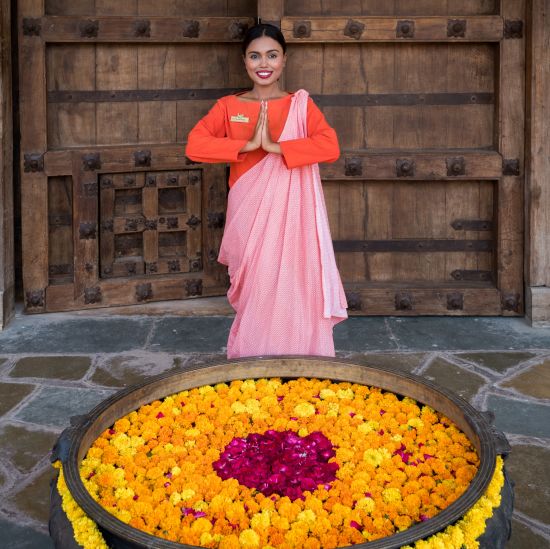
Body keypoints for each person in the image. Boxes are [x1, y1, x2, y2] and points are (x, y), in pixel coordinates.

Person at [185, 23, 348, 359]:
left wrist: (274, 147)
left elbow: (329, 146)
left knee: (293, 283)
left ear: (284, 60)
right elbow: (195, 145)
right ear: (244, 61)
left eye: (272, 55)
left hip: (291, 220)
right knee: (254, 286)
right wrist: (246, 144)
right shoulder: (229, 106)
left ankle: (300, 353)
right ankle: (251, 356)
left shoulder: (299, 104)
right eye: (255, 55)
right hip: (247, 210)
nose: (264, 63)